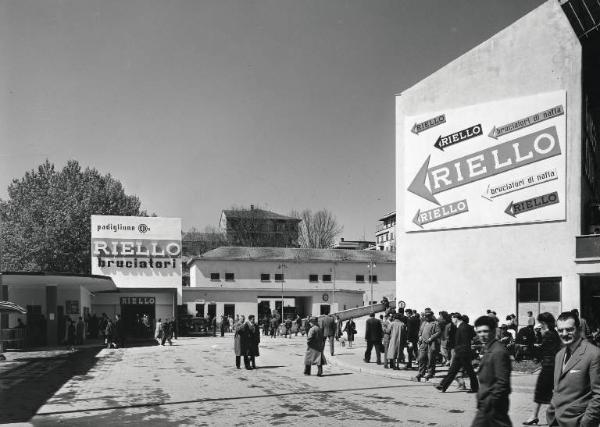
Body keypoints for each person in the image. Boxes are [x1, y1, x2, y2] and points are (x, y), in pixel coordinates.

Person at [546, 311, 600, 427]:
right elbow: (558, 388)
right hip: (556, 421)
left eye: (569, 329)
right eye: (560, 330)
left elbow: (598, 395)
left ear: (579, 329)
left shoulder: (593, 354)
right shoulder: (559, 355)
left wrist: (586, 422)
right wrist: (551, 412)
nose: (564, 334)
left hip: (578, 422)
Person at [471, 315, 512, 427]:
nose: (482, 335)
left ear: (494, 331)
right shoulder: (489, 348)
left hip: (492, 407)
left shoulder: (498, 351)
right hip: (488, 405)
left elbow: (502, 383)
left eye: (485, 331)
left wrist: (489, 403)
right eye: (479, 332)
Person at [523, 312, 561, 425]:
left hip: (549, 366)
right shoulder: (554, 333)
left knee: (541, 390)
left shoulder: (549, 334)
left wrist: (534, 348)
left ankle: (537, 416)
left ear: (544, 323)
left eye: (541, 323)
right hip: (552, 365)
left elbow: (543, 350)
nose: (540, 325)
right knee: (549, 391)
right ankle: (535, 416)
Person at [436, 312, 479, 393]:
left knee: (469, 372)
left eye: (452, 318)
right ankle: (443, 386)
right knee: (453, 371)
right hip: (460, 352)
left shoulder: (463, 328)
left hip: (463, 353)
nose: (452, 320)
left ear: (456, 318)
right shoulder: (464, 326)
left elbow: (464, 341)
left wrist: (462, 351)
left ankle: (475, 388)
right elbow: (473, 336)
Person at [413, 308, 440, 382]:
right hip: (423, 343)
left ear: (431, 316)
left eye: (428, 316)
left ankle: (430, 372)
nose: (426, 317)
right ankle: (421, 372)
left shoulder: (435, 323)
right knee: (421, 358)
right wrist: (420, 336)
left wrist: (431, 338)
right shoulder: (424, 323)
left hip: (431, 343)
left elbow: (438, 332)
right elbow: (420, 331)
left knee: (430, 359)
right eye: (425, 316)